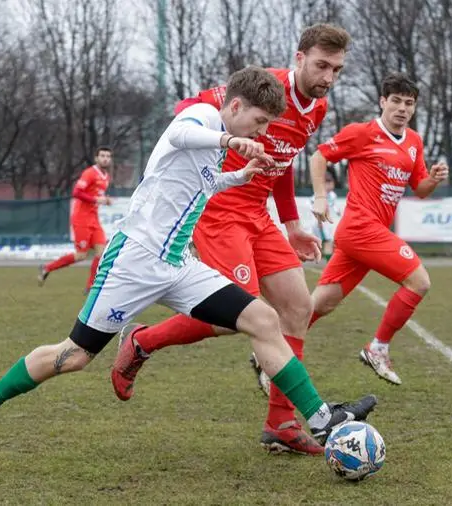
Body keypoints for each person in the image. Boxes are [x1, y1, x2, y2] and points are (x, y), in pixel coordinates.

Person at [0, 66, 377, 452]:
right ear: (235, 105)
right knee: (75, 357)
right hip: (133, 262)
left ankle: (324, 422)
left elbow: (195, 188)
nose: (262, 132)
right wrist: (232, 140)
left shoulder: (216, 144)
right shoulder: (203, 120)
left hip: (177, 265)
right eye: (259, 122)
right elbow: (177, 135)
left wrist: (237, 175)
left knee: (263, 320)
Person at [111, 24, 351, 456]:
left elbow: (279, 164)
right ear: (298, 59)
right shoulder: (264, 88)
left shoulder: (316, 109)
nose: (328, 77)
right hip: (221, 211)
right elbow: (191, 109)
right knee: (235, 313)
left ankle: (282, 423)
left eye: (336, 69)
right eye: (321, 66)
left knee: (297, 307)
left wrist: (293, 224)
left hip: (258, 215)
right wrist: (217, 139)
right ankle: (142, 341)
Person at [308, 72, 448, 386]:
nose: (402, 108)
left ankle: (271, 352)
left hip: (364, 237)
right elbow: (319, 156)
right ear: (383, 102)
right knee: (419, 281)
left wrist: (434, 178)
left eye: (408, 103)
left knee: (321, 303)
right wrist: (320, 198)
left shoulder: (413, 141)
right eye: (395, 101)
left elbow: (420, 189)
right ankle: (378, 347)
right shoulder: (361, 133)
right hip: (360, 228)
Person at [38, 147, 113, 291]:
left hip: (94, 219)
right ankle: (47, 268)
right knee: (81, 256)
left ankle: (90, 286)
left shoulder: (106, 177)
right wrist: (96, 199)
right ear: (96, 158)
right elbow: (77, 192)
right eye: (102, 156)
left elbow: (97, 196)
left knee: (101, 252)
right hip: (81, 218)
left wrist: (105, 200)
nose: (105, 159)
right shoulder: (90, 173)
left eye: (108, 156)